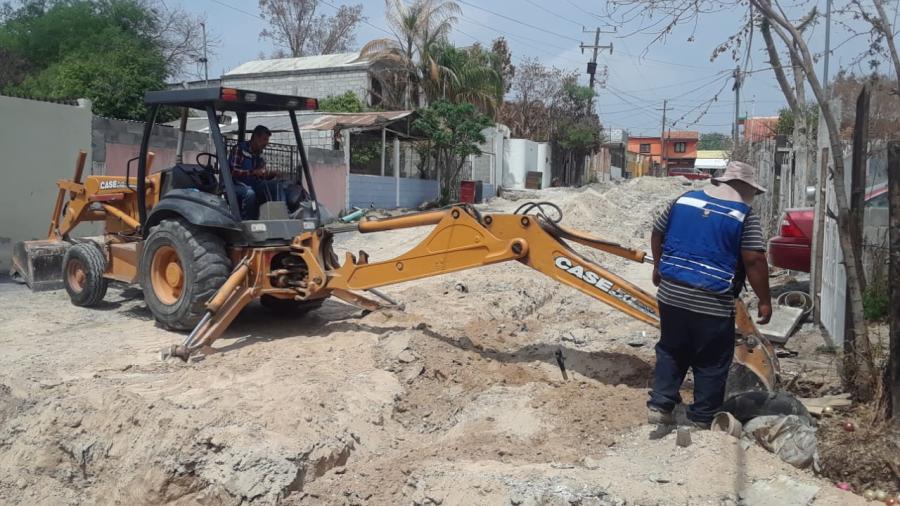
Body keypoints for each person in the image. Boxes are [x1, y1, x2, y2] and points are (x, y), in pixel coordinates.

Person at [647, 160, 773, 429]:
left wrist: (659, 267)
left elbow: (657, 232)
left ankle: (660, 405)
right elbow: (753, 260)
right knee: (712, 359)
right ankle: (702, 418)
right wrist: (764, 300)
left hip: (671, 294)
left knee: (671, 348)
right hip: (712, 301)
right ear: (747, 190)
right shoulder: (744, 216)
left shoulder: (683, 200)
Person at [228, 125, 284, 220]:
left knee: (276, 185)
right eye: (264, 139)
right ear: (255, 137)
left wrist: (270, 174)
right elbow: (233, 171)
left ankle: (282, 215)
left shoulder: (259, 154)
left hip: (253, 184)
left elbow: (261, 175)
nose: (266, 143)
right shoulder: (239, 149)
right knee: (250, 194)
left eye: (267, 140)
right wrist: (253, 172)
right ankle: (247, 221)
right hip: (235, 185)